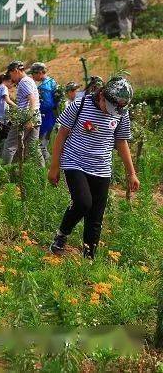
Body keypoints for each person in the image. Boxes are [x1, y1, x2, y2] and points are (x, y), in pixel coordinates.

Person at [48, 77, 139, 259]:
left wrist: (132, 173)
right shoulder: (80, 104)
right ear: (103, 96)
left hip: (102, 167)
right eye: (110, 107)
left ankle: (89, 257)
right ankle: (62, 235)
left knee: (96, 216)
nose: (112, 113)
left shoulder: (121, 112)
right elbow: (62, 134)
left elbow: (121, 142)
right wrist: (54, 166)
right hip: (75, 162)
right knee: (83, 203)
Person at [1, 61, 42, 166]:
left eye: (11, 75)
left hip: (25, 119)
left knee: (10, 146)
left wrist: (29, 119)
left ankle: (5, 173)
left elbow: (32, 99)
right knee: (33, 148)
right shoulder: (30, 80)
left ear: (16, 71)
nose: (11, 79)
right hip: (36, 117)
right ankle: (41, 173)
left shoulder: (24, 82)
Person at [30, 62, 59, 163]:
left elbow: (47, 104)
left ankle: (46, 165)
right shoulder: (52, 82)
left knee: (41, 144)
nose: (32, 76)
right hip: (52, 116)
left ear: (40, 73)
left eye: (33, 73)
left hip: (46, 116)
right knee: (43, 143)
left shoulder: (44, 86)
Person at [0, 73, 16, 152]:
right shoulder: (4, 87)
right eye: (12, 83)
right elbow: (7, 100)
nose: (12, 86)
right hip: (3, 117)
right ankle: (2, 155)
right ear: (9, 81)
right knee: (6, 138)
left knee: (1, 136)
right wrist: (18, 107)